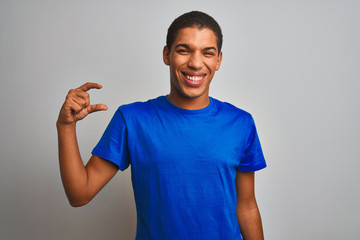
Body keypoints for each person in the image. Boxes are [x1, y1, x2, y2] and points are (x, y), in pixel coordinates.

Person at [57, 11, 267, 240]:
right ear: (167, 55)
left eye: (207, 53)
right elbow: (79, 194)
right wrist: (65, 127)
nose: (196, 63)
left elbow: (246, 206)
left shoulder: (241, 123)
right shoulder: (133, 119)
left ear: (218, 60)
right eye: (183, 50)